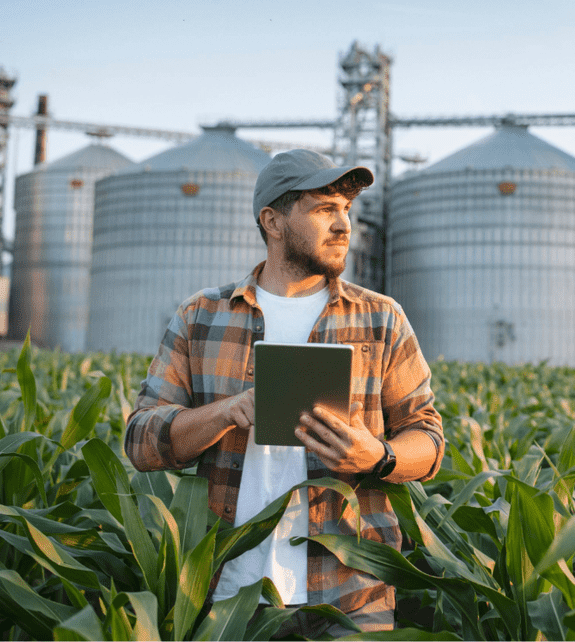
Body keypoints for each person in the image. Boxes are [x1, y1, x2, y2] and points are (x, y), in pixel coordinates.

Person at [124, 149, 445, 635]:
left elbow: (429, 440)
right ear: (272, 221)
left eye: (346, 210)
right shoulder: (203, 316)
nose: (343, 225)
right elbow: (141, 441)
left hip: (350, 597)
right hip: (227, 599)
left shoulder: (381, 319)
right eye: (324, 209)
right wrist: (224, 414)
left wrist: (377, 456)